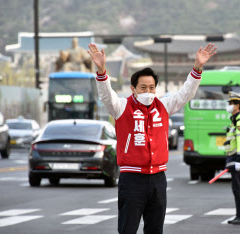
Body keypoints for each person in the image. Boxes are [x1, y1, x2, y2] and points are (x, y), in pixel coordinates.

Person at [87, 42, 217, 233]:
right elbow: (107, 96)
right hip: (132, 179)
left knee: (155, 229)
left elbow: (185, 94)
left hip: (158, 178)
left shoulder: (163, 106)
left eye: (151, 87)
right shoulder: (121, 107)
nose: (148, 92)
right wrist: (101, 70)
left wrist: (197, 68)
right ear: (133, 89)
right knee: (127, 229)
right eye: (143, 88)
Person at [223, 92, 240, 225]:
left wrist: (239, 158)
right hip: (234, 159)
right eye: (229, 103)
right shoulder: (234, 119)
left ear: (238, 105)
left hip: (238, 159)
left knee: (238, 189)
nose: (230, 105)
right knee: (237, 189)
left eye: (232, 103)